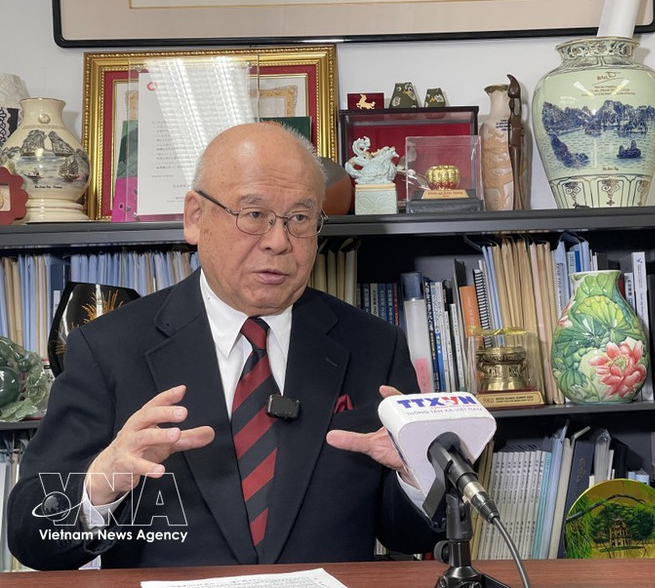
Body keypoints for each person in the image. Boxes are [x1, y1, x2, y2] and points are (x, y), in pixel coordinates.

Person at [7, 122, 442, 570]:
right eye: (253, 214)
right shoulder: (108, 347)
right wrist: (104, 478)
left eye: (299, 219)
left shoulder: (374, 344)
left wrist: (417, 474)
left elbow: (407, 533)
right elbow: (30, 537)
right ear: (195, 217)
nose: (278, 242)